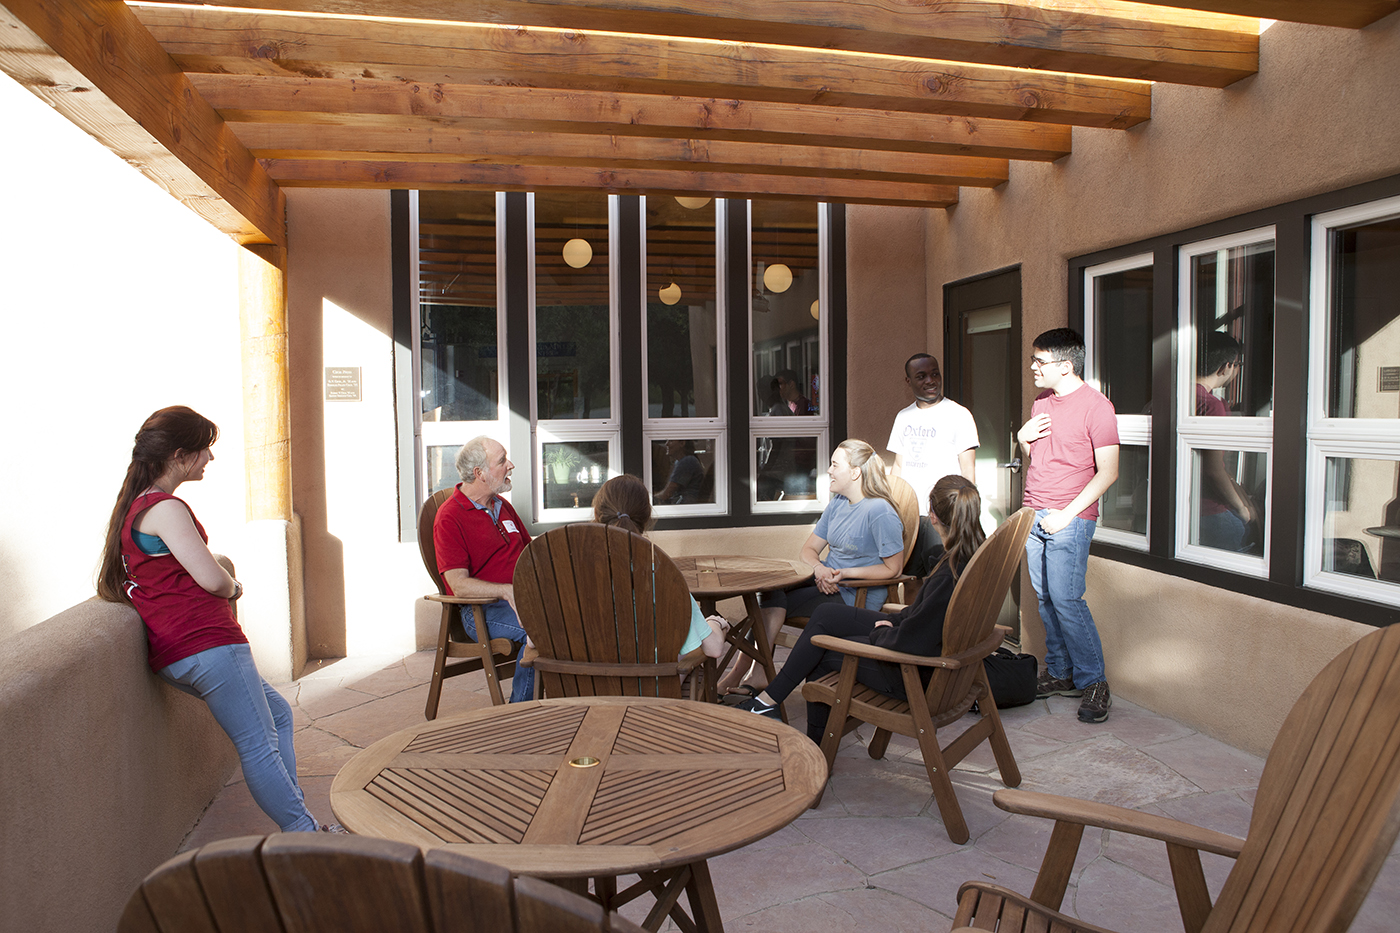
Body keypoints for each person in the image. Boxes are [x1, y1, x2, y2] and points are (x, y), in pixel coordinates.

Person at [97, 406, 340, 834]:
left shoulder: (135, 508)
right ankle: (304, 833)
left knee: (279, 714)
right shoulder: (165, 507)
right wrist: (235, 586)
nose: (210, 458)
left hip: (176, 654)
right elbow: (212, 578)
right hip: (208, 645)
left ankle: (299, 822)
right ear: (178, 455)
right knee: (258, 745)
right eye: (204, 449)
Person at [734, 475, 986, 739]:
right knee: (826, 614)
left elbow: (916, 638)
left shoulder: (949, 574)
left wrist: (883, 633)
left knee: (821, 647)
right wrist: (894, 623)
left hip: (912, 673)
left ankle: (814, 744)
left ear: (932, 516)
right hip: (926, 659)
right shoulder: (971, 558)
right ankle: (767, 702)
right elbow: (924, 618)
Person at [718, 438, 905, 697]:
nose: (828, 470)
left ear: (854, 472)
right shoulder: (838, 503)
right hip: (826, 581)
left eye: (834, 464)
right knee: (770, 590)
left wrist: (843, 574)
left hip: (855, 593)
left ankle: (747, 674)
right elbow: (808, 550)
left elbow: (893, 569)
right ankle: (753, 673)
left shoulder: (880, 512)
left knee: (770, 603)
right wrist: (819, 569)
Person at [1018, 328, 1119, 723]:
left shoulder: (1097, 407)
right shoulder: (1041, 403)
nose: (1033, 367)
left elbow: (1108, 472)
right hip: (1035, 512)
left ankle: (1095, 682)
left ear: (1065, 365)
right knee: (1046, 600)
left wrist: (1068, 514)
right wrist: (1022, 440)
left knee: (1067, 600)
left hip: (1070, 517)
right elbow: (1040, 458)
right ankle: (1060, 673)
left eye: (1039, 361)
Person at [432, 436, 534, 703]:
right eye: (502, 461)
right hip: (481, 610)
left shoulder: (502, 506)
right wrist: (506, 592)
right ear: (480, 473)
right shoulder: (450, 517)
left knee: (578, 618)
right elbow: (459, 584)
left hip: (523, 600)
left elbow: (531, 553)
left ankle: (568, 705)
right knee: (542, 629)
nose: (510, 465)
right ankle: (520, 718)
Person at [592, 474, 730, 660]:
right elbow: (713, 649)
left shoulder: (569, 574)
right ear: (646, 517)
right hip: (650, 686)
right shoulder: (660, 575)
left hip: (582, 686)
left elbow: (538, 639)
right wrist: (714, 622)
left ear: (597, 515)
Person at [887, 353, 979, 576]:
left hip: (942, 515)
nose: (930, 380)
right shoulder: (903, 417)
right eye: (921, 376)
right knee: (910, 577)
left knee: (940, 576)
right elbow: (898, 467)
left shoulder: (959, 415)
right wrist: (893, 507)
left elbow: (968, 470)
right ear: (908, 381)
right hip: (909, 513)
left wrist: (964, 513)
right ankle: (913, 612)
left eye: (935, 374)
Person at [1195, 332, 1256, 552]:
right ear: (1227, 366)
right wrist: (1241, 508)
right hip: (1209, 512)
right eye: (1238, 364)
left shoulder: (1168, 398)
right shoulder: (1211, 405)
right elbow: (1213, 470)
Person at [654, 439, 705, 504]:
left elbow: (667, 494)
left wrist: (650, 498)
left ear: (682, 443)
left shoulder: (687, 461)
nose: (666, 444)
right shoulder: (679, 462)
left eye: (671, 441)